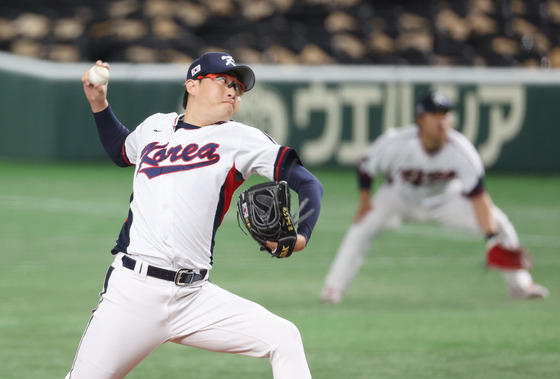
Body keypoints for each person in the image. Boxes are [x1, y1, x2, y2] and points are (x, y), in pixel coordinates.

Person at [68, 52, 323, 379]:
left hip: (194, 298)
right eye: (224, 81)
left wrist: (301, 235)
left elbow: (308, 182)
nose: (233, 91)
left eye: (239, 88)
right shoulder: (155, 127)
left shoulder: (240, 139)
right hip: (133, 292)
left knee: (284, 338)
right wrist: (99, 104)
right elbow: (121, 150)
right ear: (192, 84)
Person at [320, 91, 549, 304]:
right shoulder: (397, 143)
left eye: (446, 114)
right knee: (361, 227)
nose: (442, 120)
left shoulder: (461, 150)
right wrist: (365, 203)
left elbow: (479, 197)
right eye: (435, 114)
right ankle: (333, 288)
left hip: (445, 198)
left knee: (500, 223)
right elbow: (365, 167)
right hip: (399, 196)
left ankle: (521, 285)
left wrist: (490, 237)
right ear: (420, 119)